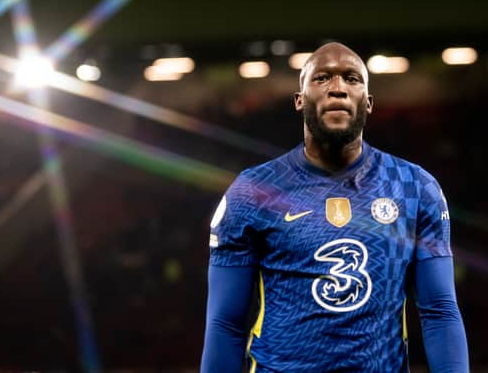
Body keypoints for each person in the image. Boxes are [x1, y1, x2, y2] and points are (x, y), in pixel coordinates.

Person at [200, 42, 469, 373]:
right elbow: (226, 325)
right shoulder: (252, 192)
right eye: (322, 78)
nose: (338, 89)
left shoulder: (415, 188)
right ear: (300, 100)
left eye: (352, 79)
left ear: (368, 103)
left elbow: (439, 311)